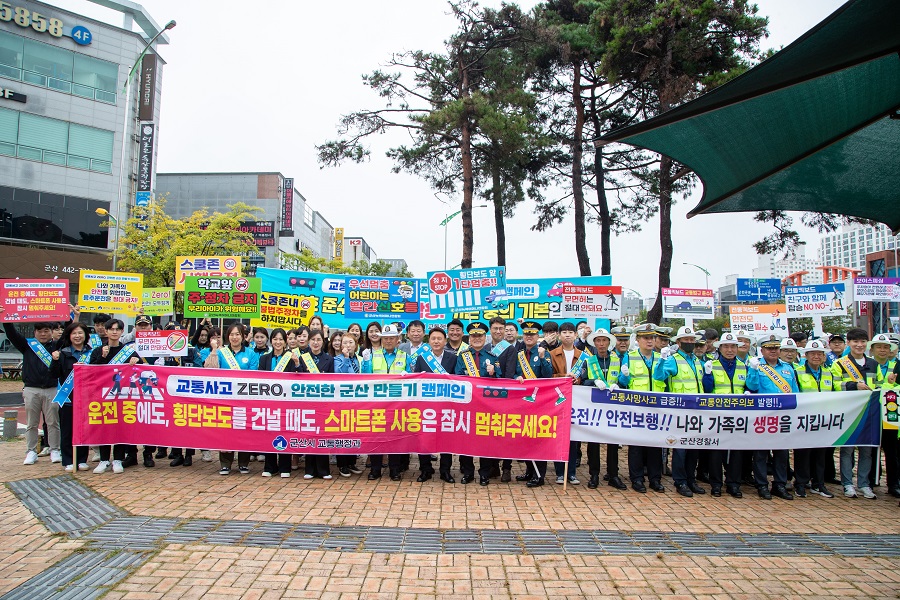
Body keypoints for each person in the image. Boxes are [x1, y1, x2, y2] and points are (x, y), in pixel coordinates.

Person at [2, 312, 62, 465]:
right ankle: (30, 451)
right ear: (35, 332)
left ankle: (55, 449)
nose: (43, 334)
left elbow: (69, 333)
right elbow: (12, 334)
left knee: (53, 422)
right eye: (40, 331)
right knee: (31, 423)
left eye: (46, 331)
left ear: (51, 332)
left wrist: (71, 317)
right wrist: (5, 318)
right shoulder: (27, 346)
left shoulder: (57, 346)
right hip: (31, 389)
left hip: (52, 389)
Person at [745, 333, 799, 500]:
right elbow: (751, 386)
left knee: (782, 453)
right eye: (769, 348)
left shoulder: (788, 368)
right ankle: (762, 484)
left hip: (782, 416)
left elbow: (795, 391)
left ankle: (780, 484)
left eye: (776, 348)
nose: (773, 351)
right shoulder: (756, 365)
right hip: (763, 416)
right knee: (761, 453)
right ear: (762, 350)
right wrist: (753, 370)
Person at [655, 326, 707, 498]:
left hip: (697, 411)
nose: (690, 342)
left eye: (692, 340)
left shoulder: (698, 361)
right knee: (680, 448)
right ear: (678, 342)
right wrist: (662, 361)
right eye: (686, 340)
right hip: (679, 410)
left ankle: (691, 479)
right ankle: (680, 481)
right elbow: (659, 376)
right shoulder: (674, 359)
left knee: (693, 448)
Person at [206, 323, 260, 475]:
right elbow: (210, 370)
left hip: (244, 398)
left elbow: (254, 374)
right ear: (227, 336)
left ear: (243, 336)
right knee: (226, 430)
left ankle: (243, 463)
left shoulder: (250, 354)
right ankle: (225, 463)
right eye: (231, 335)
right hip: (225, 397)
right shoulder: (222, 353)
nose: (234, 337)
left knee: (244, 429)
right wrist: (214, 350)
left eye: (237, 334)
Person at [830, 327, 878, 499]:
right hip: (848, 414)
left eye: (863, 342)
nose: (859, 345)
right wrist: (853, 385)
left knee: (867, 451)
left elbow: (879, 386)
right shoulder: (839, 364)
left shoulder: (873, 364)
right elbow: (835, 386)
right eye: (855, 342)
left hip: (869, 414)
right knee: (847, 450)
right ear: (848, 343)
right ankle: (847, 484)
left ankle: (864, 484)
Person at [90, 319, 142, 474]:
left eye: (117, 329)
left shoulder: (129, 351)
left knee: (119, 427)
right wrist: (102, 358)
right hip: (103, 396)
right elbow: (91, 372)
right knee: (104, 427)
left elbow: (139, 370)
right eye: (111, 329)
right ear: (106, 331)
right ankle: (104, 460)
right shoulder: (97, 351)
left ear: (121, 332)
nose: (114, 332)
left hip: (122, 395)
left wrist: (136, 361)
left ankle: (118, 459)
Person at [619, 323, 666, 493]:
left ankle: (655, 479)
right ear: (638, 340)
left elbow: (663, 379)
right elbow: (623, 383)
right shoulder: (630, 357)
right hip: (636, 408)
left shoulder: (661, 357)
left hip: (656, 408)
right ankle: (637, 478)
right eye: (646, 338)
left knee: (655, 445)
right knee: (636, 446)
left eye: (652, 338)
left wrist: (661, 363)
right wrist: (623, 376)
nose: (650, 341)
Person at [701, 331, 747, 498]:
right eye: (726, 346)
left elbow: (749, 386)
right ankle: (716, 484)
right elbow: (707, 389)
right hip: (717, 413)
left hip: (738, 414)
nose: (730, 350)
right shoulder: (712, 364)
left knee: (736, 451)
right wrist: (707, 375)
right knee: (716, 451)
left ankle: (733, 484)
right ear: (719, 348)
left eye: (733, 346)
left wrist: (749, 390)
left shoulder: (743, 365)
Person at [455, 322, 502, 485]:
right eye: (474, 336)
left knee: (484, 440)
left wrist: (493, 373)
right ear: (469, 338)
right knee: (465, 439)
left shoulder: (492, 357)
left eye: (480, 336)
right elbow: (458, 377)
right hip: (467, 405)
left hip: (486, 406)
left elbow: (500, 380)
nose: (476, 339)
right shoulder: (462, 356)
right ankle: (468, 472)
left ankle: (484, 473)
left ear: (484, 337)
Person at [792, 339, 839, 499]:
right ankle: (800, 483)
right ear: (806, 355)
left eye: (820, 354)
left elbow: (836, 393)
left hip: (823, 419)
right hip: (803, 419)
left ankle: (819, 484)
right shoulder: (797, 371)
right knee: (803, 453)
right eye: (813, 353)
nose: (817, 356)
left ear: (824, 356)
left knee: (821, 453)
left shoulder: (828, 373)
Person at [583, 328, 627, 491]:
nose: (601, 344)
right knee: (593, 443)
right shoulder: (589, 361)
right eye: (598, 341)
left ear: (609, 343)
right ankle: (594, 474)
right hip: (594, 407)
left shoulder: (618, 360)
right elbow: (583, 381)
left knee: (613, 442)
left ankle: (613, 475)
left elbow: (624, 381)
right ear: (594, 343)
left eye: (604, 340)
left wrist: (620, 384)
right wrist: (594, 382)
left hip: (613, 407)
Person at [362, 323, 408, 480]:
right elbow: (365, 377)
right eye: (385, 338)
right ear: (381, 339)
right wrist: (366, 362)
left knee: (395, 437)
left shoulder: (404, 355)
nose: (388, 341)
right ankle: (375, 469)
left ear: (397, 340)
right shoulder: (372, 355)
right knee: (376, 436)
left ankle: (394, 470)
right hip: (377, 403)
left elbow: (411, 378)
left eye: (391, 338)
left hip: (397, 404)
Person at [412, 327, 458, 483]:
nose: (436, 341)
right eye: (433, 339)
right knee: (424, 438)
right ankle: (425, 469)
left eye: (439, 339)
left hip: (446, 406)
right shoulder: (422, 358)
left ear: (445, 341)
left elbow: (457, 380)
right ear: (429, 341)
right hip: (426, 406)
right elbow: (417, 381)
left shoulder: (453, 358)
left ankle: (445, 470)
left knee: (447, 438)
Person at [514, 321, 554, 487]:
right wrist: (517, 377)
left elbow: (548, 375)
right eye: (526, 334)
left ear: (538, 336)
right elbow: (516, 372)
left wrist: (544, 358)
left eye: (532, 334)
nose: (529, 337)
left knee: (538, 439)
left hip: (540, 402)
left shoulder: (544, 353)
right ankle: (530, 470)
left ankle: (539, 475)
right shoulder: (520, 353)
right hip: (524, 402)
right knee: (526, 438)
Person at [49, 322, 92, 472]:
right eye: (74, 333)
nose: (77, 336)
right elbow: (54, 374)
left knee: (84, 429)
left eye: (80, 333)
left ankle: (81, 459)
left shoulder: (92, 353)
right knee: (67, 430)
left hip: (87, 399)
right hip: (67, 398)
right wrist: (54, 361)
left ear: (86, 335)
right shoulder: (62, 354)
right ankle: (68, 459)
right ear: (69, 336)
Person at [258, 328, 300, 478]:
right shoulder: (264, 359)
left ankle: (285, 466)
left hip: (286, 402)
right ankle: (270, 466)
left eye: (281, 339)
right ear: (271, 341)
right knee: (269, 432)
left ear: (286, 341)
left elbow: (300, 375)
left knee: (285, 432)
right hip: (269, 401)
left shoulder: (291, 357)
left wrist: (296, 363)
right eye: (275, 339)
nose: (278, 342)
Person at [549, 322, 585, 485]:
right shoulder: (552, 354)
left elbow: (587, 377)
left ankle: (571, 473)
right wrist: (564, 377)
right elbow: (549, 376)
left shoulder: (584, 355)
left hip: (577, 399)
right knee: (559, 435)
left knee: (573, 437)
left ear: (576, 335)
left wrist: (578, 379)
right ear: (559, 335)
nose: (568, 335)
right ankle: (559, 472)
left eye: (571, 332)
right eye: (564, 332)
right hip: (558, 399)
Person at [298, 329, 334, 480]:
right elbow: (298, 377)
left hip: (324, 402)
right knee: (309, 434)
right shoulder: (302, 358)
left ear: (323, 341)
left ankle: (323, 469)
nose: (316, 342)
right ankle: (310, 469)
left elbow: (333, 380)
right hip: (307, 401)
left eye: (318, 339)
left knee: (322, 434)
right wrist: (296, 365)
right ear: (308, 341)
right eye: (313, 340)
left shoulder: (329, 359)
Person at [333, 334, 364, 477]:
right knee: (342, 432)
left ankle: (351, 462)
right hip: (342, 402)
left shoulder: (359, 359)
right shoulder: (337, 359)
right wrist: (345, 359)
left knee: (354, 432)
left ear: (356, 344)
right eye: (344, 342)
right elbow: (341, 375)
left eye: (351, 342)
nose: (347, 345)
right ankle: (342, 464)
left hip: (356, 401)